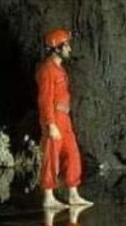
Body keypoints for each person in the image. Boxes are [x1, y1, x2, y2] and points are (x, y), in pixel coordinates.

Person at [36, 28, 93, 209]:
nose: (69, 48)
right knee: (51, 155)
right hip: (54, 117)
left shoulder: (59, 69)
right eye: (66, 45)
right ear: (56, 48)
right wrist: (50, 123)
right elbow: (45, 99)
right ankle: (48, 196)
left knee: (73, 154)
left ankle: (73, 194)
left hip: (64, 117)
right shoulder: (47, 70)